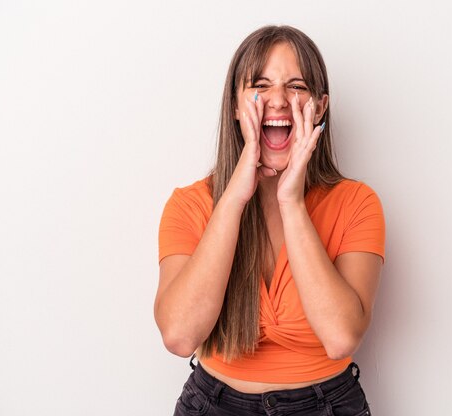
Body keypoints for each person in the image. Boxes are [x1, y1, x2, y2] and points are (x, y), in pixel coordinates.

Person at [155, 25, 385, 416]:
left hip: (327, 405)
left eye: (296, 86)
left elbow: (341, 338)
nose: (278, 100)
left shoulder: (357, 203)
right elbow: (179, 336)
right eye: (260, 85)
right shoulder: (190, 204)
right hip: (212, 404)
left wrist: (291, 201)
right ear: (234, 105)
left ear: (320, 106)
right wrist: (235, 197)